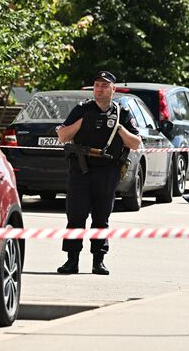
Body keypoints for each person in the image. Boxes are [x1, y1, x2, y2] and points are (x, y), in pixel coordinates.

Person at [55, 71, 141, 275]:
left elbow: (136, 144)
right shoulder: (82, 109)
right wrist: (82, 122)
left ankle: (98, 261)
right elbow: (62, 136)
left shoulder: (122, 113)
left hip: (107, 171)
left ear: (113, 89)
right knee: (76, 216)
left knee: (101, 217)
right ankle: (71, 260)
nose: (99, 89)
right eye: (96, 85)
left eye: (104, 86)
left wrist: (119, 128)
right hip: (81, 171)